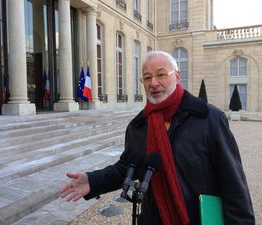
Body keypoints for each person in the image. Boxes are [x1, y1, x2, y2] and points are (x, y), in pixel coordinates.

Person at [60, 51, 255, 225]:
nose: (154, 82)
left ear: (177, 76)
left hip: (199, 218)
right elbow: (126, 168)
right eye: (147, 77)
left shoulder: (208, 118)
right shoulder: (139, 126)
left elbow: (233, 182)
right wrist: (92, 181)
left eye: (161, 74)